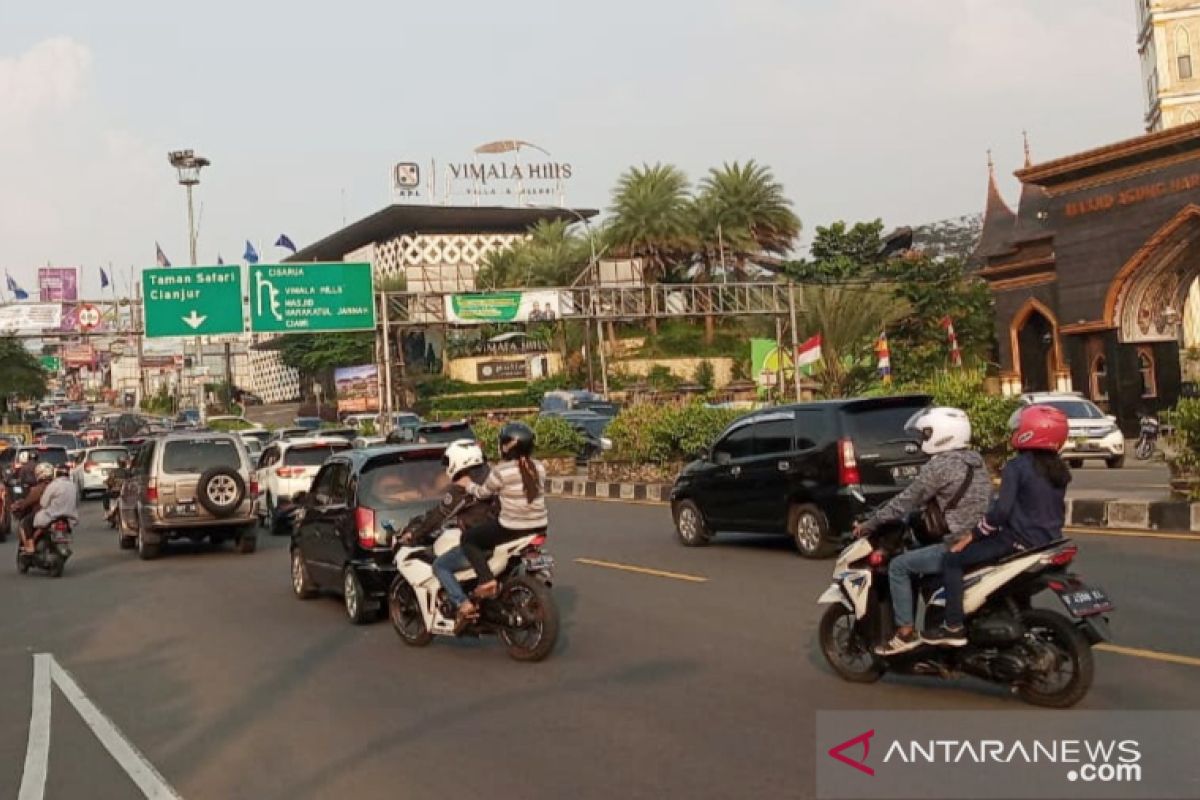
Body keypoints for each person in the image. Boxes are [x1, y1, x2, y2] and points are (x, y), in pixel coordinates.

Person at [853, 407, 992, 655]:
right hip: (982, 538)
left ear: (941, 434)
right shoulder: (976, 460)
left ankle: (905, 633)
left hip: (956, 543)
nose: (922, 439)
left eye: (925, 433)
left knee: (898, 566)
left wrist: (869, 524)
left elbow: (905, 501)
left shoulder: (939, 466)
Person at [934, 405, 1071, 646]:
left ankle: (952, 625)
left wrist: (973, 535)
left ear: (1029, 432)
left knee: (952, 560)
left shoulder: (1016, 467)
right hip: (1050, 542)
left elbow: (1001, 512)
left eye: (1018, 429)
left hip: (1017, 542)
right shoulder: (1059, 470)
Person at [398, 440, 499, 627]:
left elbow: (438, 516)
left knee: (440, 566)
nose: (447, 469)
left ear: (459, 461)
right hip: (502, 535)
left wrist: (415, 534)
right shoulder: (492, 475)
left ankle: (463, 603)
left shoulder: (462, 487)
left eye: (449, 462)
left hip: (480, 544)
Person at [458, 422, 547, 606]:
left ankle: (486, 579)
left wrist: (468, 484)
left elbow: (483, 493)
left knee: (469, 539)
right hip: (539, 526)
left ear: (507, 447)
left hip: (512, 528)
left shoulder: (501, 471)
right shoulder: (539, 468)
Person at [13, 462, 54, 554]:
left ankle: (30, 545)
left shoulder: (39, 488)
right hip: (57, 513)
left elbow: (27, 502)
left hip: (43, 514)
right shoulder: (56, 485)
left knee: (25, 523)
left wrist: (20, 506)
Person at [34, 465, 79, 535]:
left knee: (38, 521)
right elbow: (76, 502)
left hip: (52, 516)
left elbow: (43, 503)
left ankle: (31, 542)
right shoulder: (73, 486)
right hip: (70, 517)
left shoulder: (53, 485)